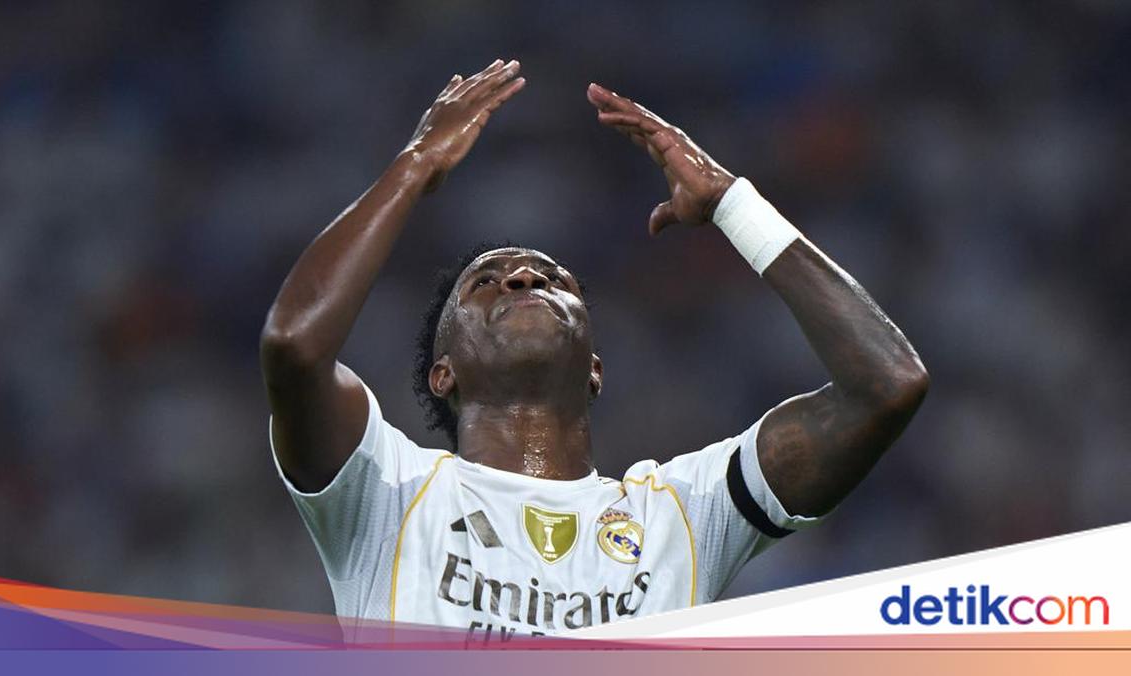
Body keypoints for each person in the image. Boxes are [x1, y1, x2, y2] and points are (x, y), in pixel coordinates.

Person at [260, 58, 928, 640]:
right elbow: (294, 347)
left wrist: (733, 205)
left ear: (595, 369)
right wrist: (414, 166)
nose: (523, 278)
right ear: (444, 374)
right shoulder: (387, 493)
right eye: (485, 283)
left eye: (553, 280)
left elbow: (888, 385)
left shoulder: (681, 517)